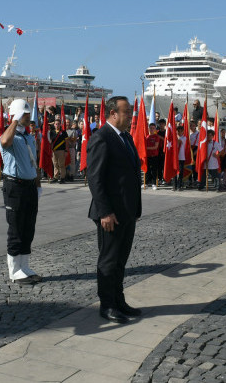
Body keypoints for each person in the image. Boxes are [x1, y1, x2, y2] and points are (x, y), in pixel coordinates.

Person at [87, 96, 142, 324]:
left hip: (127, 211)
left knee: (121, 260)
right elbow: (95, 179)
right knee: (109, 260)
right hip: (111, 213)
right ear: (113, 113)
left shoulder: (125, 137)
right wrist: (105, 212)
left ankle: (119, 301)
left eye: (130, 111)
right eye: (126, 111)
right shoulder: (102, 137)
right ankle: (107, 305)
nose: (130, 115)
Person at [0, 99, 43, 285]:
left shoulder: (28, 136)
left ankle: (24, 266)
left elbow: (34, 162)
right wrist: (14, 121)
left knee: (28, 227)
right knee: (16, 227)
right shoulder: (10, 135)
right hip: (14, 185)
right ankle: (14, 270)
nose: (28, 118)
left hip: (29, 185)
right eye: (25, 115)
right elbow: (4, 141)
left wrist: (38, 183)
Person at [144, 124, 160, 190]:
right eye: (150, 128)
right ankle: (147, 183)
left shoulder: (156, 137)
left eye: (153, 128)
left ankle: (154, 183)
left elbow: (155, 147)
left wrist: (146, 148)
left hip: (154, 156)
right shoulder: (146, 137)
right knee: (147, 170)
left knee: (154, 170)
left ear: (155, 129)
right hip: (147, 156)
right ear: (148, 129)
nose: (151, 129)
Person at [173, 125, 187, 191]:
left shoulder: (184, 138)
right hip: (175, 157)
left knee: (180, 172)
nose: (179, 132)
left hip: (181, 157)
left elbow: (178, 141)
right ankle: (174, 185)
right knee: (174, 171)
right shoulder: (175, 137)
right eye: (178, 131)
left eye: (181, 131)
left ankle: (179, 185)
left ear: (183, 132)